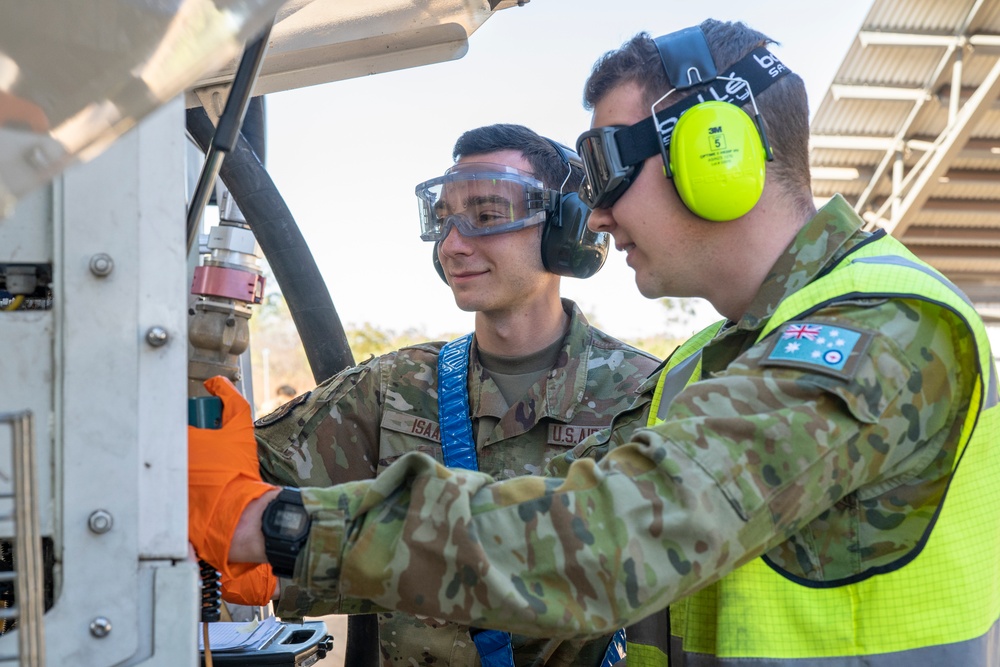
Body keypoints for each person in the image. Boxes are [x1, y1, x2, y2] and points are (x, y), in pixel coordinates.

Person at [189, 19, 1000, 667]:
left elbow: (607, 543)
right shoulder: (705, 363)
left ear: (713, 150)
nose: (600, 216)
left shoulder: (885, 331)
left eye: (610, 169)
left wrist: (287, 525)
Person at [228, 123, 661, 666]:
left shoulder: (643, 396)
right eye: (444, 221)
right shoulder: (395, 388)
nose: (454, 244)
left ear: (565, 232)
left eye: (486, 216)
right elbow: (234, 480)